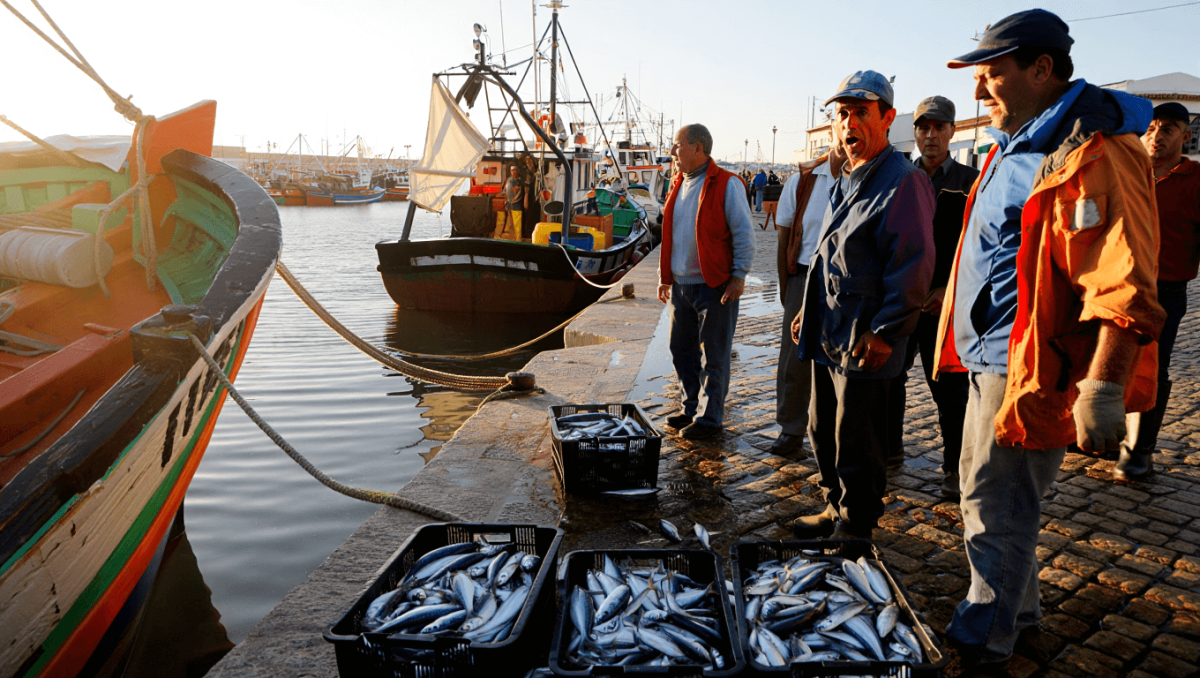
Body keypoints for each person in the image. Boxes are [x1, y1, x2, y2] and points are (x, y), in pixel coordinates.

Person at [935, 10, 1164, 667]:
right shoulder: (1022, 141)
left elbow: (1124, 275)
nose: (980, 92)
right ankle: (1017, 609)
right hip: (989, 359)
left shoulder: (1096, 150)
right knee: (988, 495)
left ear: (1041, 69)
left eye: (992, 74)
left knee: (994, 501)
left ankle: (989, 632)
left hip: (1028, 363)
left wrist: (1104, 382)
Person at [788, 70, 936, 539]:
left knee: (858, 436)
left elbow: (914, 264)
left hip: (864, 336)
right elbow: (826, 254)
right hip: (828, 329)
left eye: (861, 113)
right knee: (822, 427)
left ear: (887, 118)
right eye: (842, 115)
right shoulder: (846, 178)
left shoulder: (903, 181)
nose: (849, 123)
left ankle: (857, 523)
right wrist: (804, 312)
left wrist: (887, 330)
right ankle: (835, 506)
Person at [885, 96, 977, 497]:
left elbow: (976, 246)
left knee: (950, 391)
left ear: (953, 132)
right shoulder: (901, 177)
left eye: (939, 127)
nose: (931, 135)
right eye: (923, 128)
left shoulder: (970, 182)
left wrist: (948, 290)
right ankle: (888, 451)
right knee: (889, 379)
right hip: (904, 301)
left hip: (947, 306)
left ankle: (956, 468)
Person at [1116, 102, 1200, 480]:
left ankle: (1138, 450)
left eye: (1167, 128)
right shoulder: (1127, 171)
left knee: (1152, 364)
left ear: (1185, 135)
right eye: (1150, 128)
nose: (1156, 135)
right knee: (1099, 357)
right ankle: (1097, 434)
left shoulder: (1195, 178)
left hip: (1165, 289)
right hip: (1116, 284)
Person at [657, 124, 756, 440]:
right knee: (680, 350)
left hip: (714, 285)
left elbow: (744, 233)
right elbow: (672, 234)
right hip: (682, 287)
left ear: (698, 148)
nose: (673, 151)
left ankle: (710, 419)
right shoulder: (678, 183)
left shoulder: (727, 184)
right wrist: (665, 278)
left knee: (714, 354)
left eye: (677, 144)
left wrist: (739, 276)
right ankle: (690, 409)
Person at [771, 141, 848, 457]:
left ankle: (838, 436)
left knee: (841, 358)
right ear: (833, 132)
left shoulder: (864, 176)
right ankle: (791, 429)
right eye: (840, 122)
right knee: (794, 358)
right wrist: (785, 286)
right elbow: (784, 236)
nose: (846, 133)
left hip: (846, 282)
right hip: (803, 277)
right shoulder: (804, 180)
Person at [494, 164, 523, 240]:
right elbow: (505, 191)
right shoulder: (508, 180)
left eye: (515, 170)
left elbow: (520, 192)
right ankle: (510, 238)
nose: (513, 172)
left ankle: (518, 240)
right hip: (508, 205)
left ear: (518, 171)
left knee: (517, 225)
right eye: (512, 170)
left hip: (517, 205)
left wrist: (515, 199)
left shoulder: (520, 181)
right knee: (509, 224)